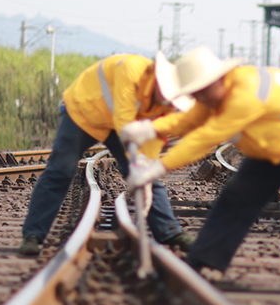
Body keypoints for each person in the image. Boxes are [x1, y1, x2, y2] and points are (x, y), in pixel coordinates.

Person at [121, 47, 280, 296]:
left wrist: (157, 168)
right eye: (195, 94)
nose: (200, 99)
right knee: (236, 198)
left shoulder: (245, 93)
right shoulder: (213, 95)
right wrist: (150, 129)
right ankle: (205, 262)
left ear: (218, 79)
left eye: (202, 92)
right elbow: (188, 121)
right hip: (270, 147)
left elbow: (204, 138)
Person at [19, 53, 191, 256]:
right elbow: (124, 120)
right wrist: (137, 162)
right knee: (61, 170)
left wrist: (145, 169)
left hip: (120, 125)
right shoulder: (131, 69)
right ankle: (33, 236)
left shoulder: (169, 103)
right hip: (84, 113)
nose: (168, 99)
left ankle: (170, 233)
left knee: (148, 176)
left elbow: (157, 135)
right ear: (159, 80)